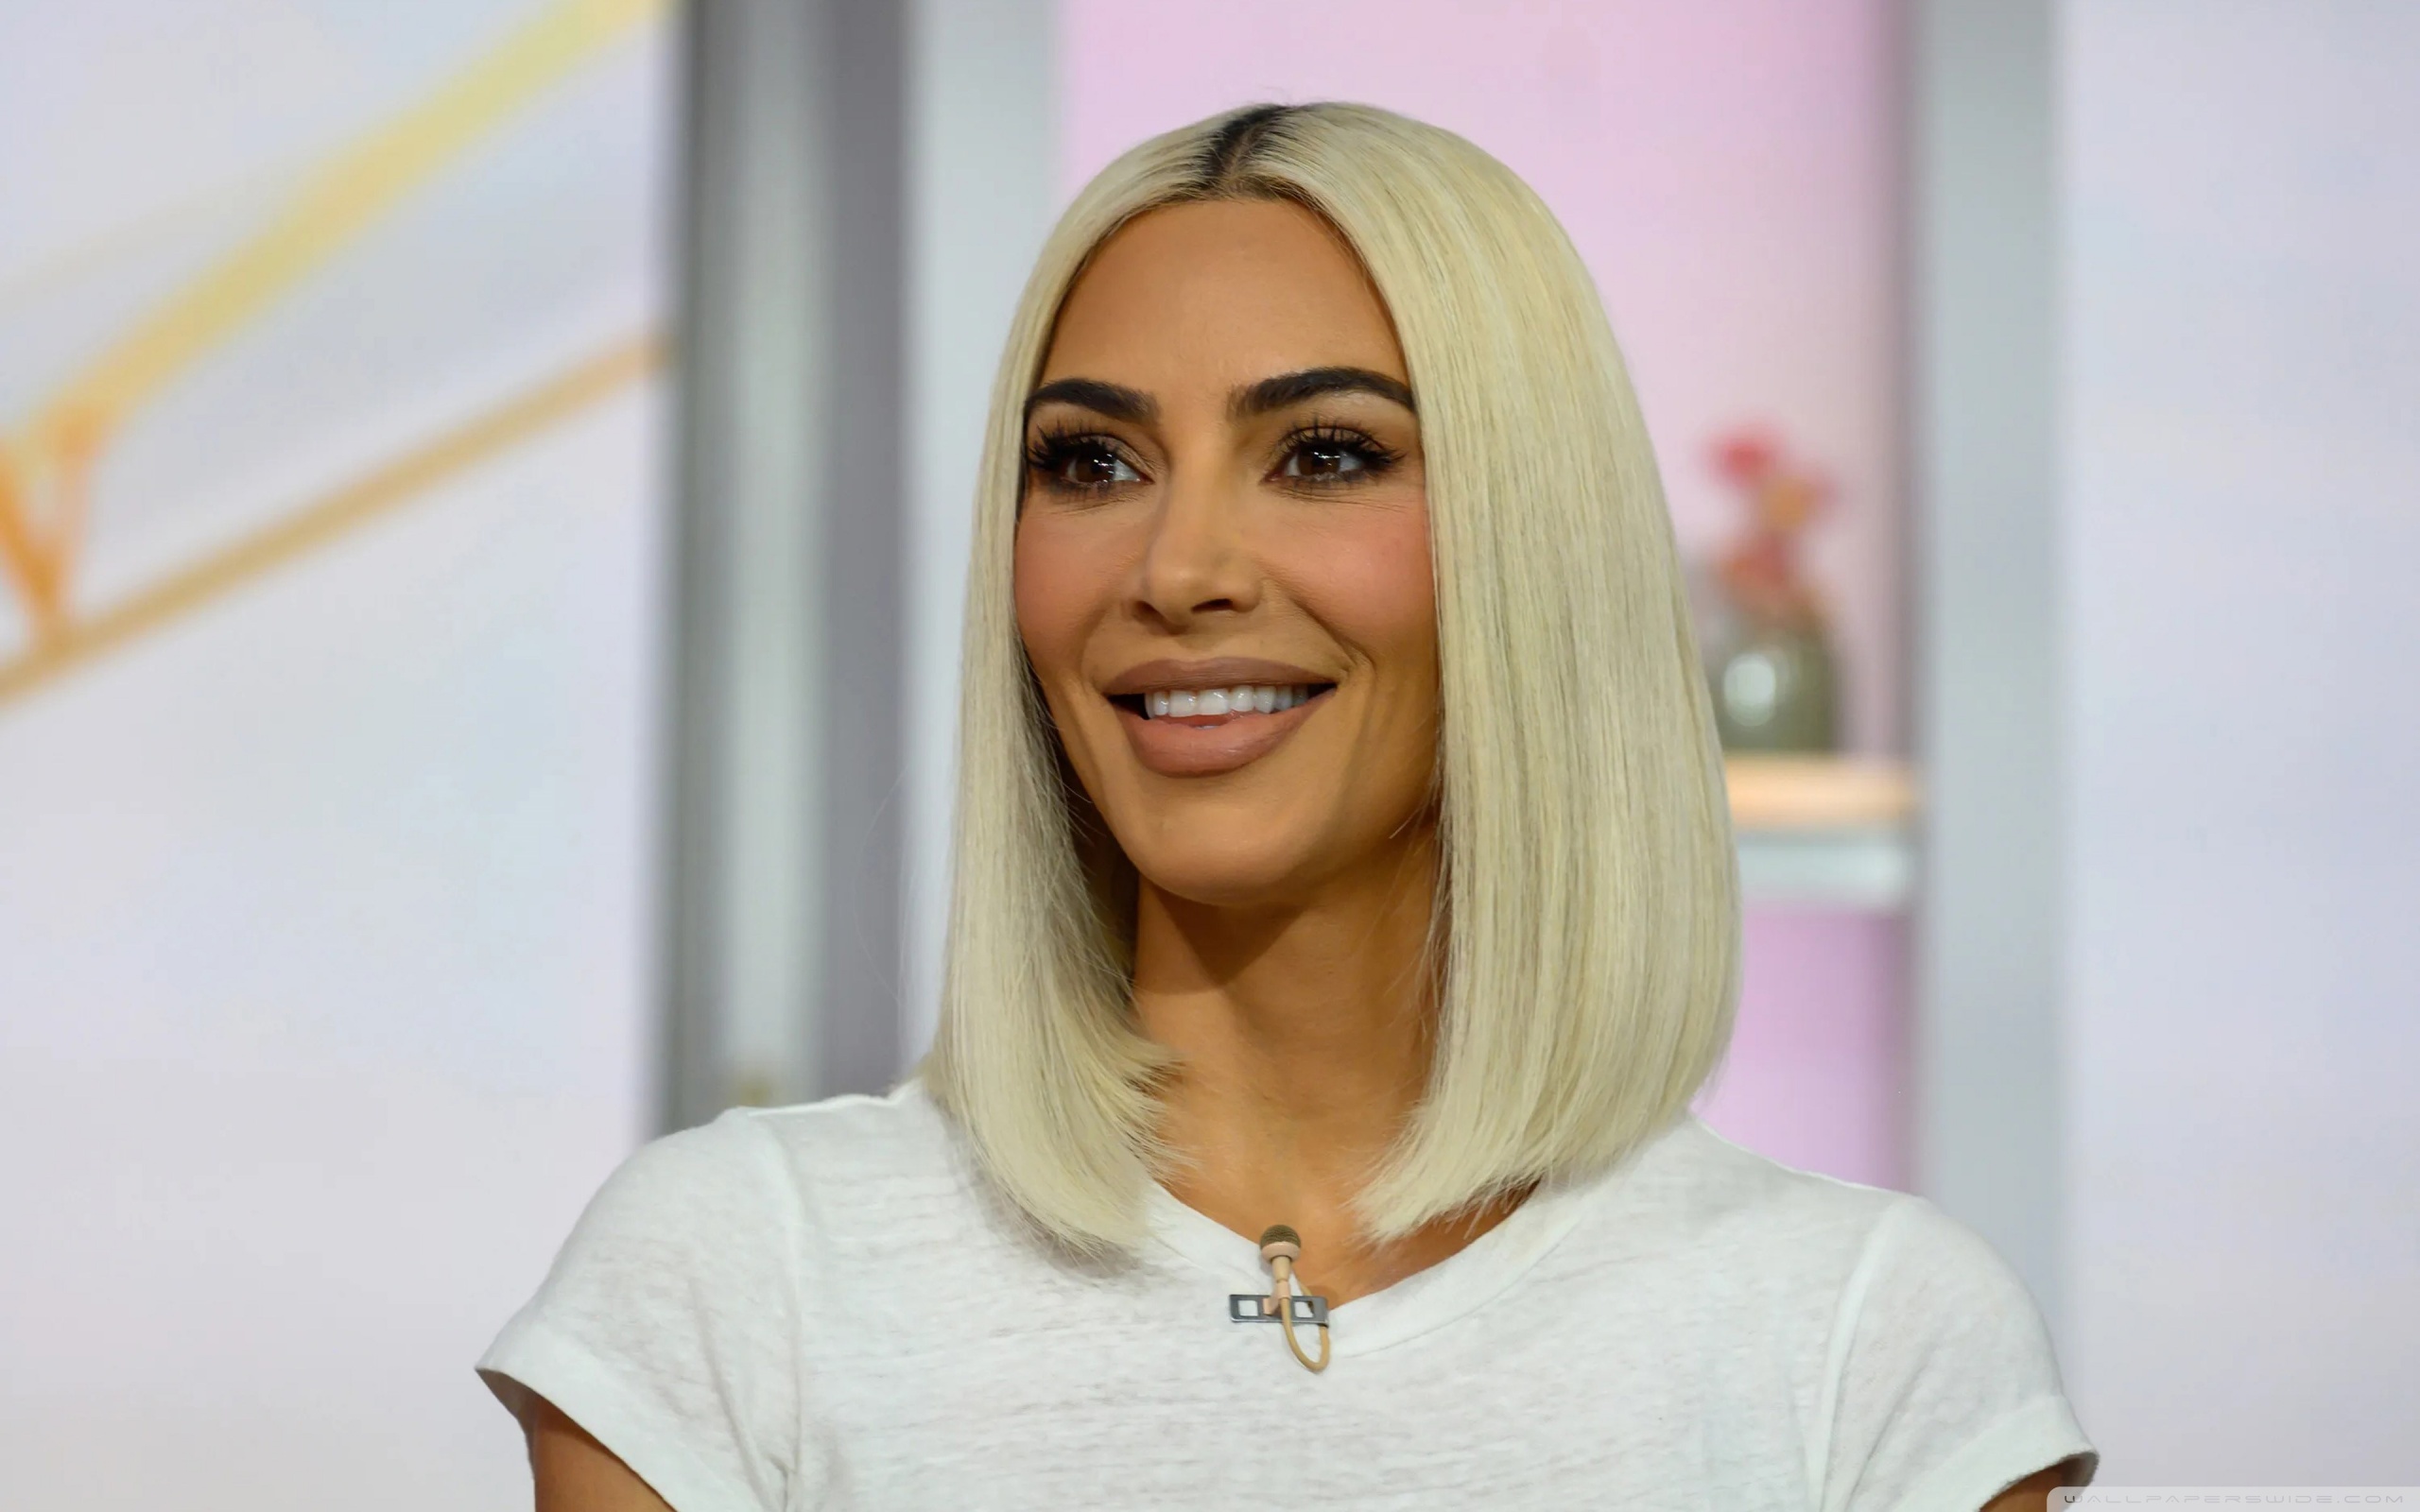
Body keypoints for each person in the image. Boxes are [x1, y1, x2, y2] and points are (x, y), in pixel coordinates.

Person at [478, 102, 2095, 1511]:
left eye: (1322, 455)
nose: (1178, 569)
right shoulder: (737, 1283)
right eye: (1092, 464)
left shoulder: (1867, 1345)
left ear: (1531, 543)